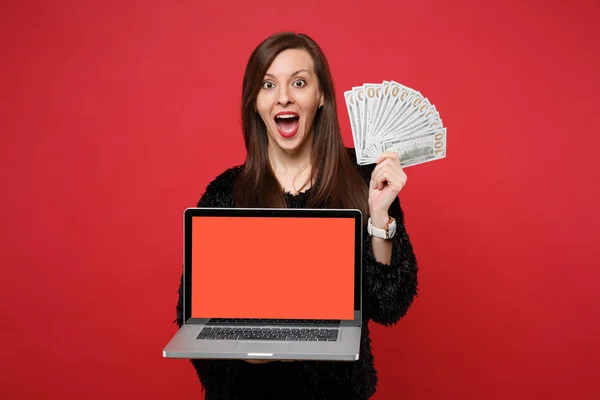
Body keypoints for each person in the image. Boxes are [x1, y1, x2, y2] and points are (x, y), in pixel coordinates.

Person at [175, 31, 418, 400]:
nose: (283, 96)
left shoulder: (364, 178)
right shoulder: (225, 194)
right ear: (255, 102)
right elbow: (190, 317)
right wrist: (244, 356)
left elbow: (389, 305)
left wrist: (380, 217)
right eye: (268, 84)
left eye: (299, 82)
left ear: (320, 97)